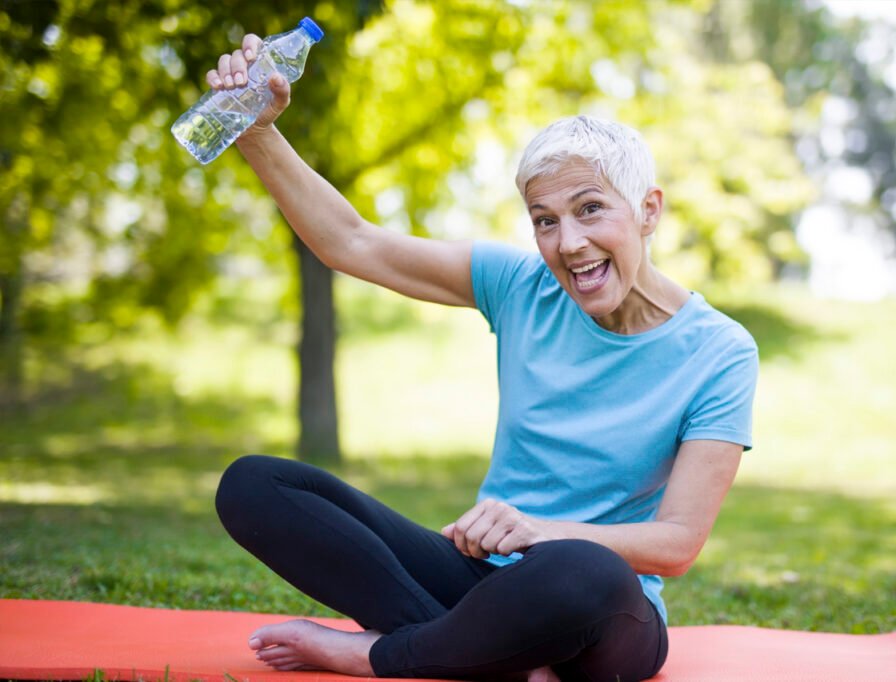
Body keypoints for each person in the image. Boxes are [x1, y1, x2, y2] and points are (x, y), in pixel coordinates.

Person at [211, 32, 758, 682]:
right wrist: (253, 130)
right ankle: (491, 654)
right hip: (478, 580)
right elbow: (352, 242)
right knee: (255, 485)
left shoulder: (721, 351)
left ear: (648, 211)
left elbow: (676, 546)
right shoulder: (521, 285)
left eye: (590, 210)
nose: (569, 242)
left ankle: (376, 656)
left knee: (582, 571)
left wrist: (538, 530)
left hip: (602, 612)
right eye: (544, 219)